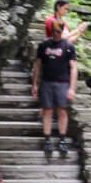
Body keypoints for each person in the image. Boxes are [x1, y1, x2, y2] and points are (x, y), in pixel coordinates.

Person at [33, 20, 77, 160]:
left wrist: (72, 88)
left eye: (58, 31)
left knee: (62, 110)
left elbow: (74, 68)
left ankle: (62, 140)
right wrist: (34, 84)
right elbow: (37, 65)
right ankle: (47, 140)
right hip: (46, 82)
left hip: (62, 82)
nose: (56, 34)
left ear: (62, 30)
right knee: (47, 110)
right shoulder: (44, 45)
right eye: (54, 31)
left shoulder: (68, 46)